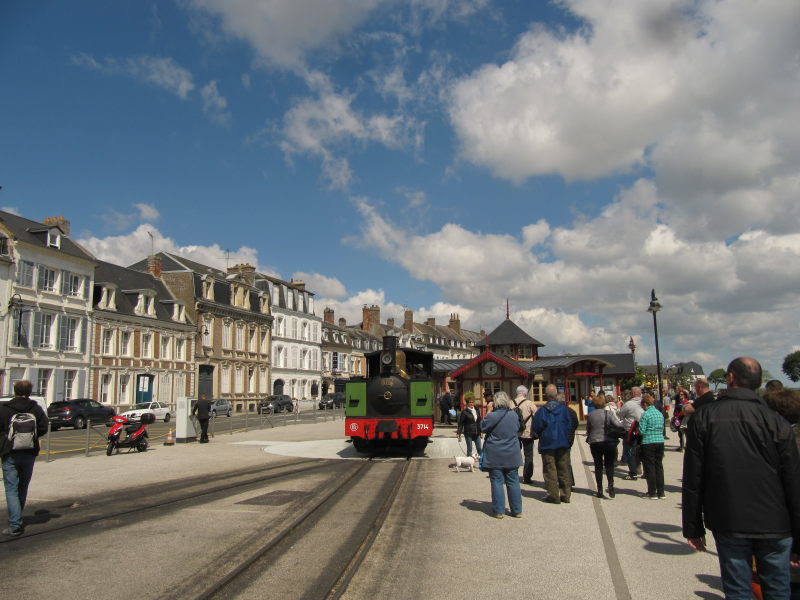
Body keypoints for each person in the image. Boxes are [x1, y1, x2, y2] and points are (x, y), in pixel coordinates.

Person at [683, 357, 800, 599]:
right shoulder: (777, 422)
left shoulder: (706, 418)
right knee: (778, 588)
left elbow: (694, 477)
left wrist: (693, 526)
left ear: (731, 377)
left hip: (729, 517)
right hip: (775, 520)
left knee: (738, 589)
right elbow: (793, 481)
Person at [0, 380, 49, 537]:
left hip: (9, 452)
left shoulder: (5, 409)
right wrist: (31, 438)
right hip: (29, 452)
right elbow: (43, 427)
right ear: (29, 392)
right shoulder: (35, 408)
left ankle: (15, 524)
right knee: (22, 487)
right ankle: (17, 518)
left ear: (14, 391)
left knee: (11, 488)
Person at [479, 391, 523, 519]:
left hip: (495, 453)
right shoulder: (514, 416)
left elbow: (482, 427)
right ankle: (517, 510)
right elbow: (518, 428)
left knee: (497, 481)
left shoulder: (492, 416)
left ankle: (499, 510)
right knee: (513, 480)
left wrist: (488, 411)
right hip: (512, 452)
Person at [532, 384, 573, 504]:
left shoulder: (542, 411)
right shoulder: (564, 409)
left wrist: (542, 435)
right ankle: (566, 495)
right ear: (556, 395)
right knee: (563, 468)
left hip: (547, 442)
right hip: (562, 441)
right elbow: (569, 425)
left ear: (546, 395)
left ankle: (553, 495)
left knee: (550, 469)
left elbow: (537, 426)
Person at [585, 394, 624, 498]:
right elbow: (618, 424)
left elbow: (588, 430)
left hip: (595, 442)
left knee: (598, 466)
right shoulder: (609, 413)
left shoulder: (591, 415)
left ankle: (599, 489)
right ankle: (611, 486)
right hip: (609, 442)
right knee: (609, 465)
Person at [638, 394, 665, 499]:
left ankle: (652, 492)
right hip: (660, 441)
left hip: (648, 441)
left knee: (650, 467)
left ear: (645, 404)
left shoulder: (646, 414)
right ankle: (661, 492)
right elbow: (662, 428)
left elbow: (641, 430)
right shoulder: (659, 413)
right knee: (659, 466)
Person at [618, 386, 645, 480]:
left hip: (631, 430)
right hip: (643, 429)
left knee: (630, 450)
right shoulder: (645, 403)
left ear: (633, 394)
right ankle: (642, 470)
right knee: (642, 450)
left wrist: (618, 407)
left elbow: (620, 415)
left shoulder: (628, 404)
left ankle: (633, 472)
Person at [513, 385, 537, 484]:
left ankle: (513, 475)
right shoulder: (529, 403)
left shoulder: (511, 403)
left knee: (514, 454)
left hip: (514, 433)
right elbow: (537, 415)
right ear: (525, 393)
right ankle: (527, 477)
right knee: (528, 455)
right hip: (527, 433)